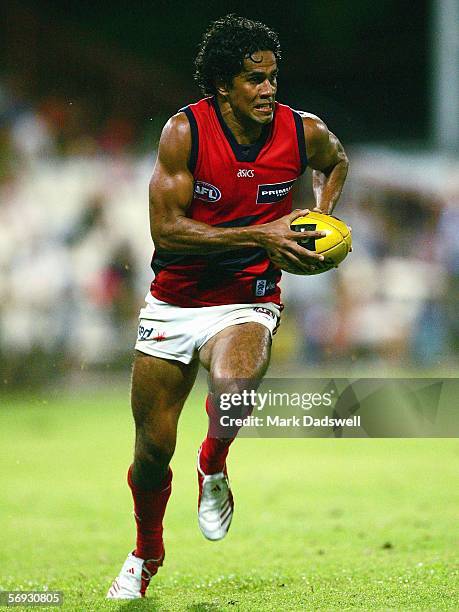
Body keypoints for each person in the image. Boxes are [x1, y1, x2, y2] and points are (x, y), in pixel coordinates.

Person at [107, 14, 348, 599]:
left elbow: (335, 161)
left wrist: (325, 214)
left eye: (272, 77)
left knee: (233, 388)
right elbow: (166, 232)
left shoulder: (302, 131)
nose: (268, 90)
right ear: (223, 86)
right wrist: (261, 233)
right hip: (175, 299)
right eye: (253, 80)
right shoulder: (183, 134)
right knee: (150, 452)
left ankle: (213, 463)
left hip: (248, 296)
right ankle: (146, 553)